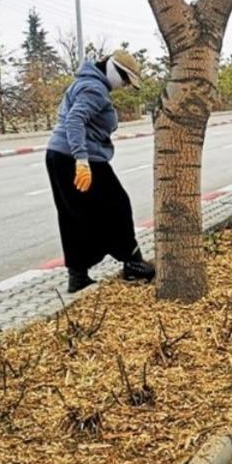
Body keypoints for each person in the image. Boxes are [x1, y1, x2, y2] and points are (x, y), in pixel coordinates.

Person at [45, 49, 156, 293]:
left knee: (73, 214)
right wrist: (81, 160)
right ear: (114, 69)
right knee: (117, 205)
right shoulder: (94, 89)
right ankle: (132, 261)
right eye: (125, 80)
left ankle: (78, 275)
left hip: (58, 155)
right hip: (79, 158)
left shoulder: (86, 82)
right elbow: (75, 120)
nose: (126, 86)